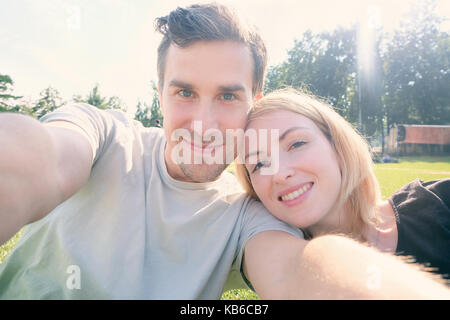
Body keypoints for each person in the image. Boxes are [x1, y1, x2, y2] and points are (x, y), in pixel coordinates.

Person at [0, 3, 449, 300]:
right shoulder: (102, 135)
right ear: (159, 93)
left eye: (229, 96)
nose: (204, 123)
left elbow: (298, 272)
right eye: (185, 92)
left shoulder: (246, 212)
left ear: (255, 100)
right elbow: (38, 159)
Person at [236, 88, 450, 281]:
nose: (280, 174)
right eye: (260, 163)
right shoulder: (284, 270)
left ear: (337, 146)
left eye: (297, 143)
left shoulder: (440, 202)